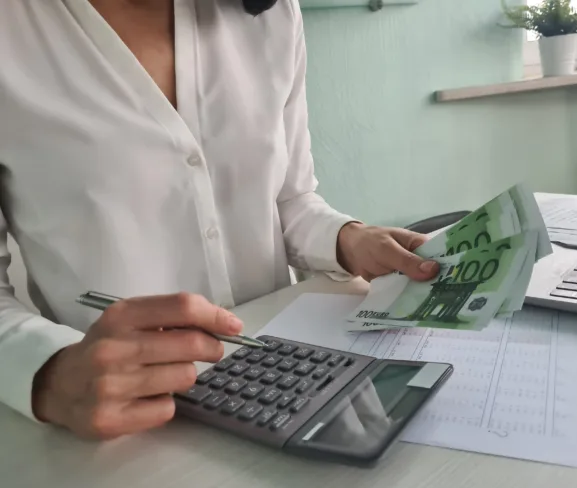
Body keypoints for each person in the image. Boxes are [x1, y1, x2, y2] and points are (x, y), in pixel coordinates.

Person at [0, 0, 439, 440]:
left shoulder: (272, 14)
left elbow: (290, 196)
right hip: (127, 428)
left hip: (289, 380)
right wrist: (49, 372)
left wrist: (347, 239)